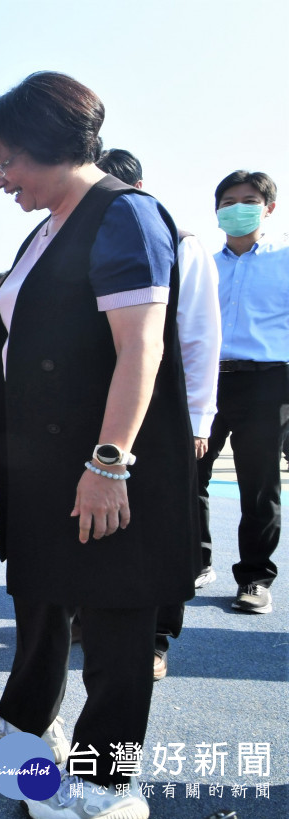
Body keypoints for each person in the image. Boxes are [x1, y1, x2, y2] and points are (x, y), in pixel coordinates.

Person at [0, 72, 196, 819]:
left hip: (100, 462)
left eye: (5, 164)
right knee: (41, 589)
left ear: (51, 147)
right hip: (41, 458)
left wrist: (107, 463)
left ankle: (108, 779)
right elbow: (23, 339)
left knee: (116, 612)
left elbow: (140, 351)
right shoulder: (49, 223)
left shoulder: (126, 217)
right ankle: (28, 719)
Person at [94, 148, 222, 680]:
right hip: (111, 407)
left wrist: (198, 421)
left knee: (166, 531)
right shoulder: (87, 238)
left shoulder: (179, 242)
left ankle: (158, 638)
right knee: (113, 524)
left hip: (167, 413)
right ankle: (100, 619)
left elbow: (197, 339)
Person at [196, 170, 288, 615]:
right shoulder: (201, 265)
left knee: (259, 485)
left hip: (267, 381)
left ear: (268, 207)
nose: (236, 208)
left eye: (248, 199)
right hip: (206, 380)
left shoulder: (285, 258)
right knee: (189, 476)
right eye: (227, 201)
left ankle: (254, 578)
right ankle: (195, 561)